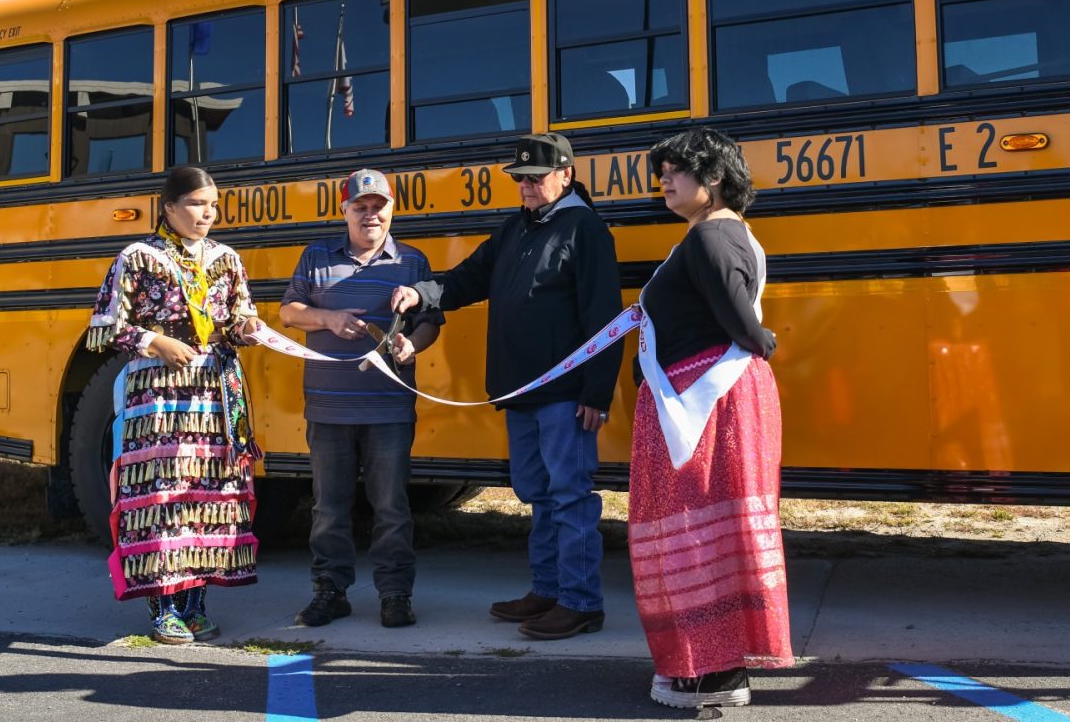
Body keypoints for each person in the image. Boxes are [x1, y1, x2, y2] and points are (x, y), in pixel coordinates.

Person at [390, 133, 622, 640]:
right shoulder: (517, 227)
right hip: (521, 391)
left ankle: (581, 602)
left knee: (568, 496)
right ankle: (547, 590)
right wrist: (420, 291)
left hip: (564, 395)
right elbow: (467, 278)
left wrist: (596, 394)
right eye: (519, 179)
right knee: (538, 493)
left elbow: (605, 320)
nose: (525, 187)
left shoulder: (586, 230)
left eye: (535, 178)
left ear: (566, 174)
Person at [630, 128, 791, 709]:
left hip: (707, 399)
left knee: (693, 523)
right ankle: (706, 662)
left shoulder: (710, 239)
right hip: (704, 396)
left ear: (714, 177)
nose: (664, 180)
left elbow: (741, 323)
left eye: (676, 170)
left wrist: (762, 339)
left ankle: (711, 670)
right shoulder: (714, 235)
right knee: (703, 522)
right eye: (663, 170)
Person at [85, 166, 264, 645]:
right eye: (197, 204)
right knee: (163, 497)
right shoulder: (138, 258)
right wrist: (154, 341)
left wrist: (247, 329)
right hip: (160, 397)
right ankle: (163, 606)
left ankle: (196, 604)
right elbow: (103, 326)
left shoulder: (226, 259)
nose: (208, 213)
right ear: (168, 207)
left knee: (208, 498)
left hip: (213, 394)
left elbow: (240, 317)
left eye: (213, 205)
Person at [278, 168, 444, 629]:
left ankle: (395, 595)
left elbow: (431, 321)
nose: (371, 215)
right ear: (345, 211)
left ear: (392, 209)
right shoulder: (316, 257)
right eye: (361, 207)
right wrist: (327, 318)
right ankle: (331, 590)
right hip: (328, 408)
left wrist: (414, 345)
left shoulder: (412, 263)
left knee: (391, 506)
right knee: (328, 506)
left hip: (389, 408)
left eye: (379, 206)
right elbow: (288, 312)